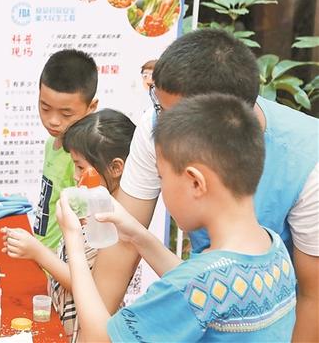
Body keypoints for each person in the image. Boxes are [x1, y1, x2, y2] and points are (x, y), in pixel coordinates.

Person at [92, 29, 318, 341]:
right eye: (158, 106)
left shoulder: (309, 159)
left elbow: (312, 295)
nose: (161, 124)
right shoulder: (158, 122)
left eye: (172, 116)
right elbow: (122, 237)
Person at [58, 93, 297, 341]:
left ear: (195, 182)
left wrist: (74, 241)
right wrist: (138, 235)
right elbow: (205, 286)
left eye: (162, 177)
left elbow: (99, 338)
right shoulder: (273, 249)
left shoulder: (196, 284)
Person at [1, 109, 135, 341]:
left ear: (115, 168)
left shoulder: (116, 224)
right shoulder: (95, 206)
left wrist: (38, 252)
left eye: (81, 167)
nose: (75, 176)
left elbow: (88, 287)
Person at [30, 49, 98, 251]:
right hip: (41, 253)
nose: (53, 120)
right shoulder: (51, 142)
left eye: (66, 114)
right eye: (45, 108)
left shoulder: (82, 159)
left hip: (61, 260)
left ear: (91, 107)